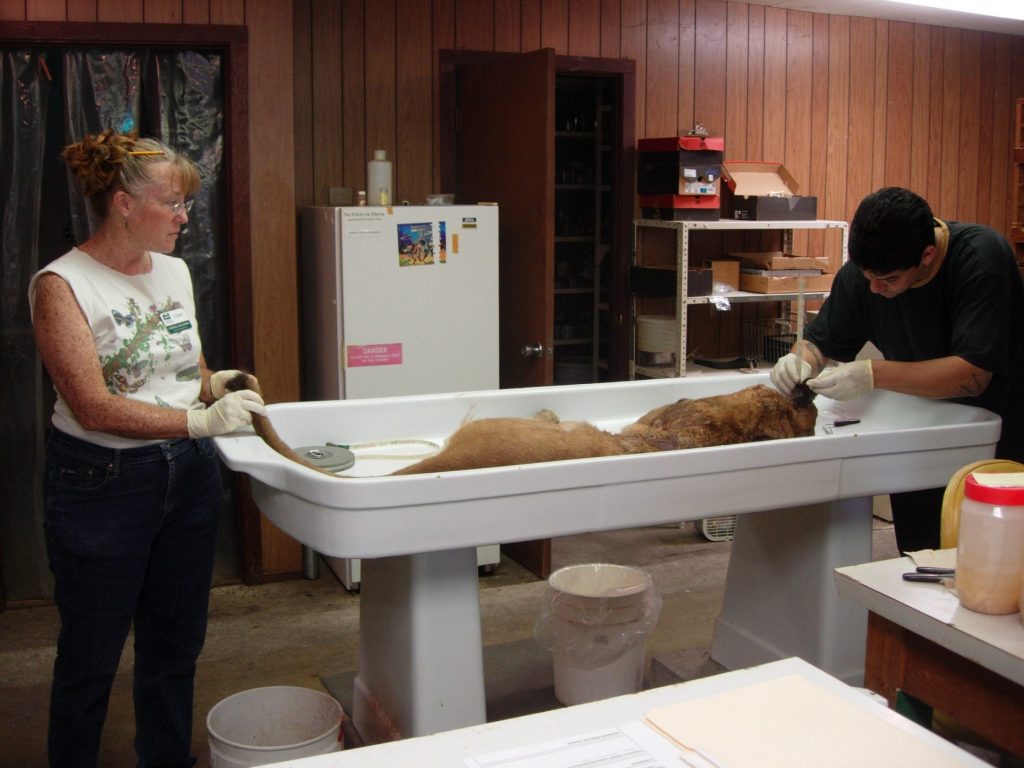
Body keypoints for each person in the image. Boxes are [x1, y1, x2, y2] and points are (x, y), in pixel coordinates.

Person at [29, 129, 265, 768]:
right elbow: (93, 406)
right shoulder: (62, 284)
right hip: (101, 482)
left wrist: (216, 384)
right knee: (90, 656)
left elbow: (186, 367)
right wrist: (198, 423)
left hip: (187, 479)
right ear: (124, 204)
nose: (186, 217)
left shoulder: (175, 270)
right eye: (174, 203)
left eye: (187, 204)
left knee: (174, 646)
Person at [771, 186, 1024, 554]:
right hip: (920, 432)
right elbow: (821, 341)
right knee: (921, 556)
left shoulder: (981, 259)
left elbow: (973, 376)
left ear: (927, 255)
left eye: (888, 280)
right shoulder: (868, 275)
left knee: (988, 560)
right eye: (867, 276)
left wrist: (873, 374)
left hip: (998, 433)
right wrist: (801, 360)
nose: (874, 289)